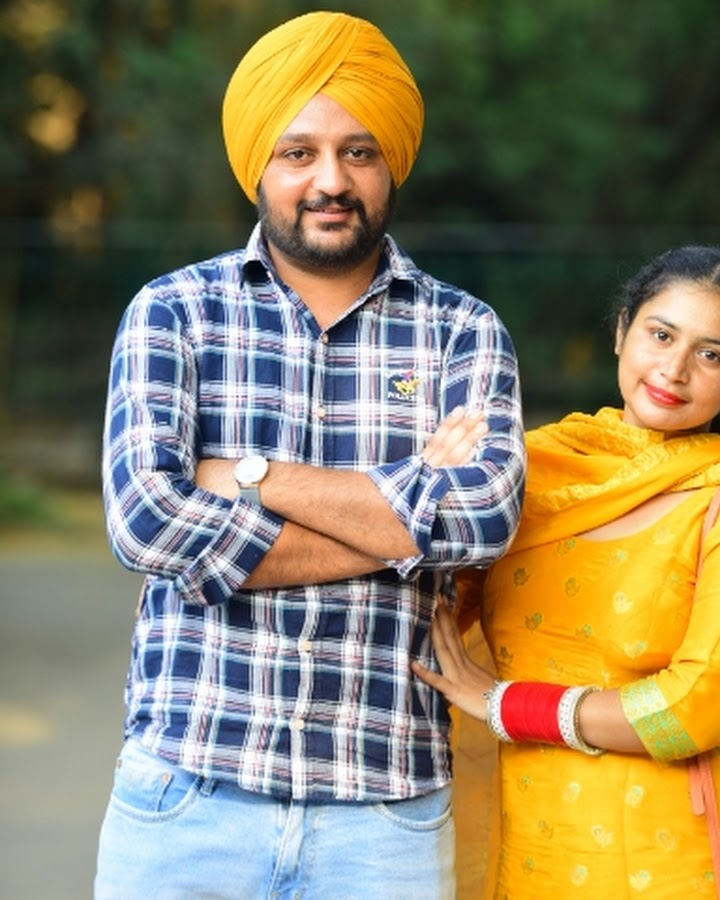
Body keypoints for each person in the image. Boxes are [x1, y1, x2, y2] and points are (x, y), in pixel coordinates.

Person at [94, 11, 525, 900]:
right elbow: (148, 522)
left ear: (391, 163)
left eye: (358, 152)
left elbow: (483, 519)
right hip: (186, 795)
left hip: (386, 818)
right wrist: (402, 522)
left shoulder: (463, 331)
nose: (331, 180)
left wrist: (253, 478)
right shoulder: (174, 312)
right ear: (259, 163)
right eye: (300, 153)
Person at [413, 245, 720, 898]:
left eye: (711, 355)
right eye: (661, 335)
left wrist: (502, 703)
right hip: (533, 845)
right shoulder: (533, 475)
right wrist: (429, 493)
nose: (674, 369)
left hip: (686, 859)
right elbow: (424, 613)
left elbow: (694, 711)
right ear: (621, 331)